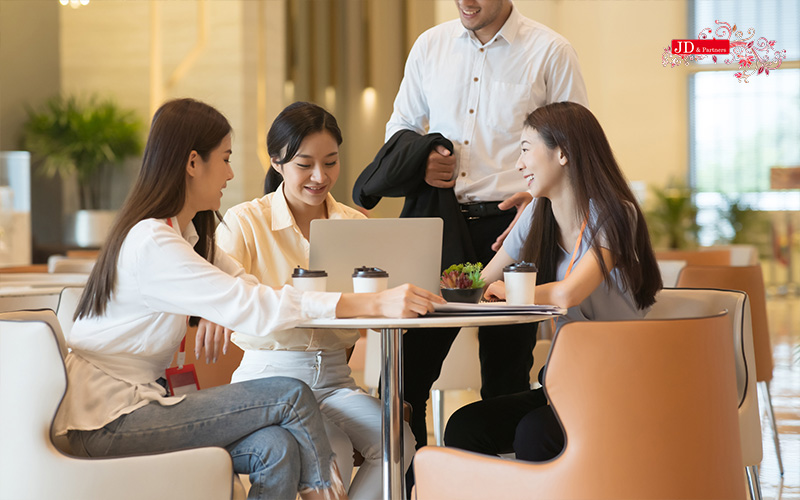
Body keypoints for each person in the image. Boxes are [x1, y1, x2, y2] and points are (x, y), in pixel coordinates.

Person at [53, 98, 443, 500]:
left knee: (275, 449)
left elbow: (252, 293)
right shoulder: (153, 241)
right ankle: (321, 490)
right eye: (224, 159)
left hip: (143, 404)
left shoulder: (189, 238)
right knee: (291, 395)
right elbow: (253, 307)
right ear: (192, 163)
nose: (231, 172)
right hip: (109, 419)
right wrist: (370, 303)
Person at [352, 0, 590, 452]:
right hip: (437, 226)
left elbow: (576, 144)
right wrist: (422, 163)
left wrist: (537, 201)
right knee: (405, 378)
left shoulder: (550, 50)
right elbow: (400, 129)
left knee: (505, 379)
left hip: (515, 226)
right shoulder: (430, 46)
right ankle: (413, 486)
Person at [216, 101, 417, 499]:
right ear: (277, 162)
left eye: (330, 162)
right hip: (270, 375)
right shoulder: (244, 221)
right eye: (304, 164)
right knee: (335, 449)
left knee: (399, 441)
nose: (320, 177)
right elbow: (227, 298)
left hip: (335, 378)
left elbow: (376, 306)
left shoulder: (354, 224)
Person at [443, 101, 663, 461]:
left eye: (526, 150)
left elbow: (569, 291)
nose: (519, 164)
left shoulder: (615, 214)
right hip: (567, 380)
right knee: (465, 426)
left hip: (621, 381)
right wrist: (442, 288)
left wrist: (510, 293)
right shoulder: (536, 214)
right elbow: (482, 281)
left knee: (535, 434)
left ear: (562, 153)